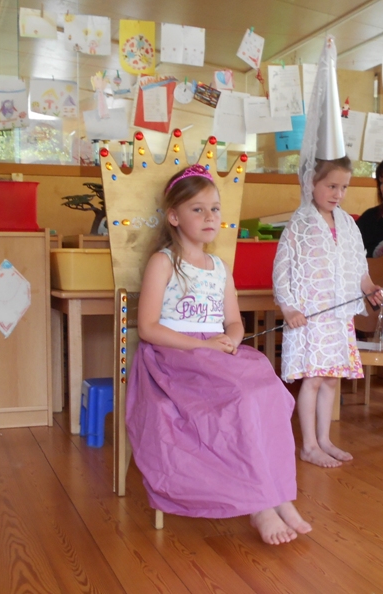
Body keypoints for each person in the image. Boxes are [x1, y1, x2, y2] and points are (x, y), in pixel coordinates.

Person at [127, 165, 311, 545]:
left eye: (214, 208)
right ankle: (260, 505)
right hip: (175, 356)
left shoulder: (219, 268)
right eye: (197, 209)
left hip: (214, 352)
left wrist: (230, 339)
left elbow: (234, 321)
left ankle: (280, 494)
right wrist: (203, 345)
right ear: (174, 217)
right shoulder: (164, 262)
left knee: (270, 393)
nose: (209, 216)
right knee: (240, 398)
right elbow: (148, 327)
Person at [273, 156, 383, 468]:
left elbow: (358, 265)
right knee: (312, 379)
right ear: (312, 184)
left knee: (332, 379)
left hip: (338, 318)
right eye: (331, 186)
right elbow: (282, 269)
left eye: (344, 187)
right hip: (309, 317)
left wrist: (368, 287)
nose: (338, 193)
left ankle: (324, 439)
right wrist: (288, 307)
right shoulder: (300, 223)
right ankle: (308, 445)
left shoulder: (348, 224)